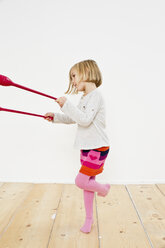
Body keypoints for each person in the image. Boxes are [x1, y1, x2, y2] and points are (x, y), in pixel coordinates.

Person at [44, 59, 110, 233]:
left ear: (86, 71)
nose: (73, 81)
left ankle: (103, 190)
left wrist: (67, 105)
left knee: (81, 181)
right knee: (88, 183)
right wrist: (56, 117)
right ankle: (89, 219)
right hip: (87, 147)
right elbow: (75, 118)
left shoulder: (96, 96)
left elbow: (85, 119)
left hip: (98, 147)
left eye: (74, 76)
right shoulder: (85, 97)